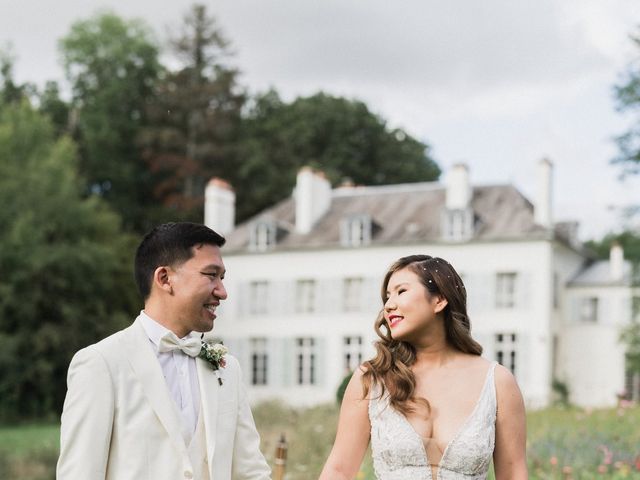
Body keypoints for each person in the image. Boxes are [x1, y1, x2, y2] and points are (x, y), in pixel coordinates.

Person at [57, 222, 271, 480]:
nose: (222, 292)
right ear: (165, 279)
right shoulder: (101, 364)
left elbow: (252, 473)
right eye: (211, 275)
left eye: (222, 278)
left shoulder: (227, 368)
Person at [319, 255, 528, 480]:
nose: (389, 305)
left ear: (439, 300)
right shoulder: (372, 379)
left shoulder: (497, 382)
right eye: (387, 297)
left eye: (401, 291)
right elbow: (338, 470)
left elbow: (514, 473)